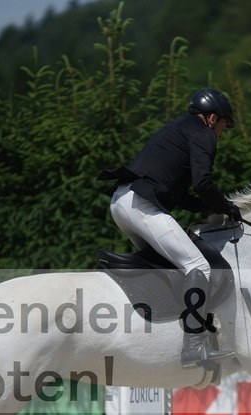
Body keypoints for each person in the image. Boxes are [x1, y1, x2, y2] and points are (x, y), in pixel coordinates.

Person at [100, 88, 241, 369]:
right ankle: (193, 347)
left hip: (121, 202)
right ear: (213, 118)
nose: (222, 134)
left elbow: (175, 190)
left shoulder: (177, 128)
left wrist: (204, 208)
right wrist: (227, 206)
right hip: (142, 205)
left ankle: (164, 336)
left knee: (171, 268)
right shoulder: (203, 133)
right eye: (224, 126)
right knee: (198, 267)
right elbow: (203, 183)